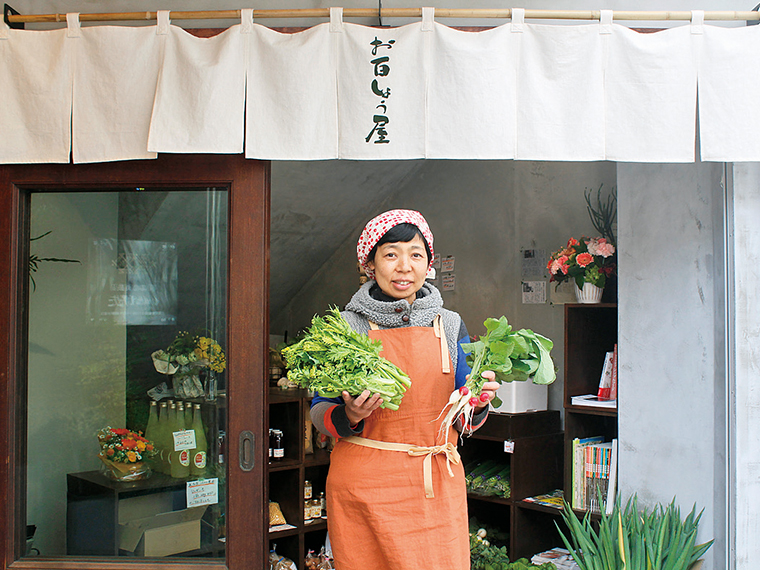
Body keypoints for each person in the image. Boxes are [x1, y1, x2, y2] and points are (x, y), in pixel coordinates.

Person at [310, 209, 499, 570]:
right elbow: (319, 410)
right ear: (370, 263)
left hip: (435, 487)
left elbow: (465, 416)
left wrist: (478, 402)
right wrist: (349, 415)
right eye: (391, 254)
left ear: (428, 263)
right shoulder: (346, 326)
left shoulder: (450, 324)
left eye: (415, 254)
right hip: (366, 489)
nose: (404, 266)